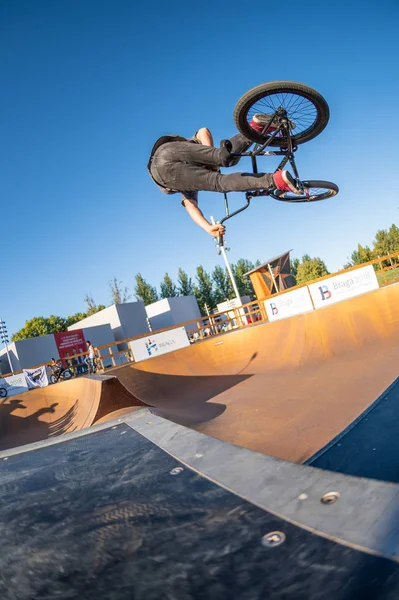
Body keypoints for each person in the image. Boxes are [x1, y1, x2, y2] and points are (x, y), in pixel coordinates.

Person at [148, 113, 300, 237]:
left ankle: (259, 133)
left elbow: (203, 131)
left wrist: (212, 160)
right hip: (164, 169)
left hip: (166, 157)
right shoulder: (187, 186)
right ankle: (256, 129)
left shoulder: (191, 150)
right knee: (222, 160)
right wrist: (208, 227)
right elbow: (190, 205)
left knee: (221, 171)